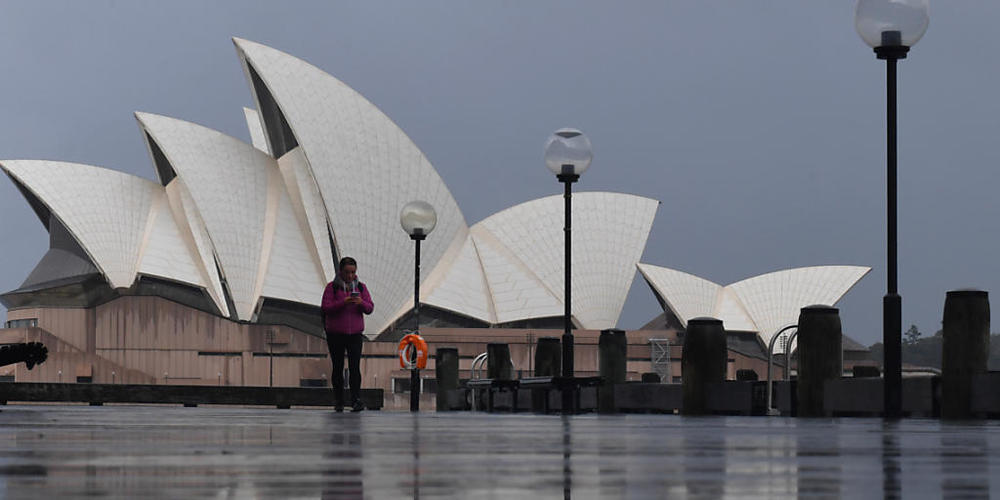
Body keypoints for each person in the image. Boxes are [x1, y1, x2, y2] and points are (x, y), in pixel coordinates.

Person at [322, 256, 374, 412]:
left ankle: (356, 400)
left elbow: (370, 308)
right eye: (347, 272)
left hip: (355, 334)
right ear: (341, 271)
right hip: (336, 334)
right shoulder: (331, 288)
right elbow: (326, 307)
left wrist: (361, 303)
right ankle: (338, 400)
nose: (350, 276)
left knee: (354, 368)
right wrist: (343, 302)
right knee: (337, 367)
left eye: (353, 272)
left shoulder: (361, 288)